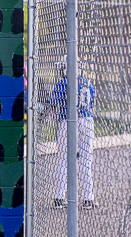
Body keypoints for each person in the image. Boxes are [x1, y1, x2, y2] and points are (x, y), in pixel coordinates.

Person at [40, 56, 96, 210]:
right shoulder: (87, 83)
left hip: (68, 121)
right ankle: (88, 199)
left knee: (63, 159)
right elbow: (92, 103)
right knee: (86, 160)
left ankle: (59, 197)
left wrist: (40, 118)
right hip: (87, 121)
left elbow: (52, 103)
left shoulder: (63, 82)